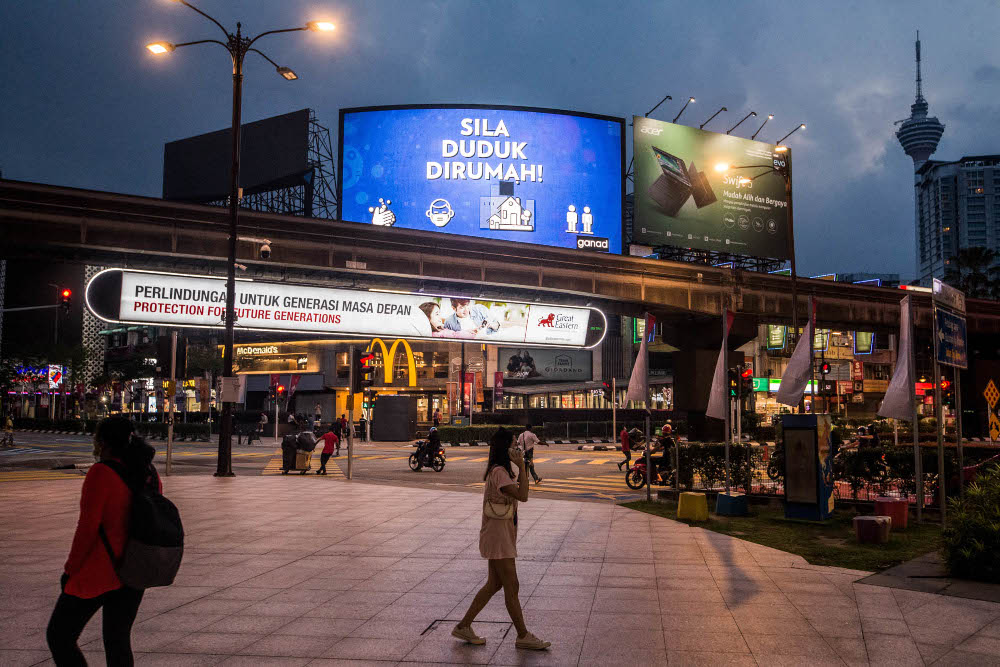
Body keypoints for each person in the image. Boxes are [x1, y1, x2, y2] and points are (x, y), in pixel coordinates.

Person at [47, 417, 160, 665]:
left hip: (99, 570)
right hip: (133, 570)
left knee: (59, 635)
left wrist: (70, 569)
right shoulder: (148, 472)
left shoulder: (101, 473)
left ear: (106, 442)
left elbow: (87, 529)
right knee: (117, 640)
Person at [453, 428, 550, 651]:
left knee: (495, 583)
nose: (517, 447)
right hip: (498, 537)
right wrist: (523, 466)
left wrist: (519, 466)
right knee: (512, 585)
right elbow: (523, 495)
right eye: (514, 443)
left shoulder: (500, 471)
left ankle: (464, 625)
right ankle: (523, 635)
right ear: (503, 447)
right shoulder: (499, 473)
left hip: (500, 534)